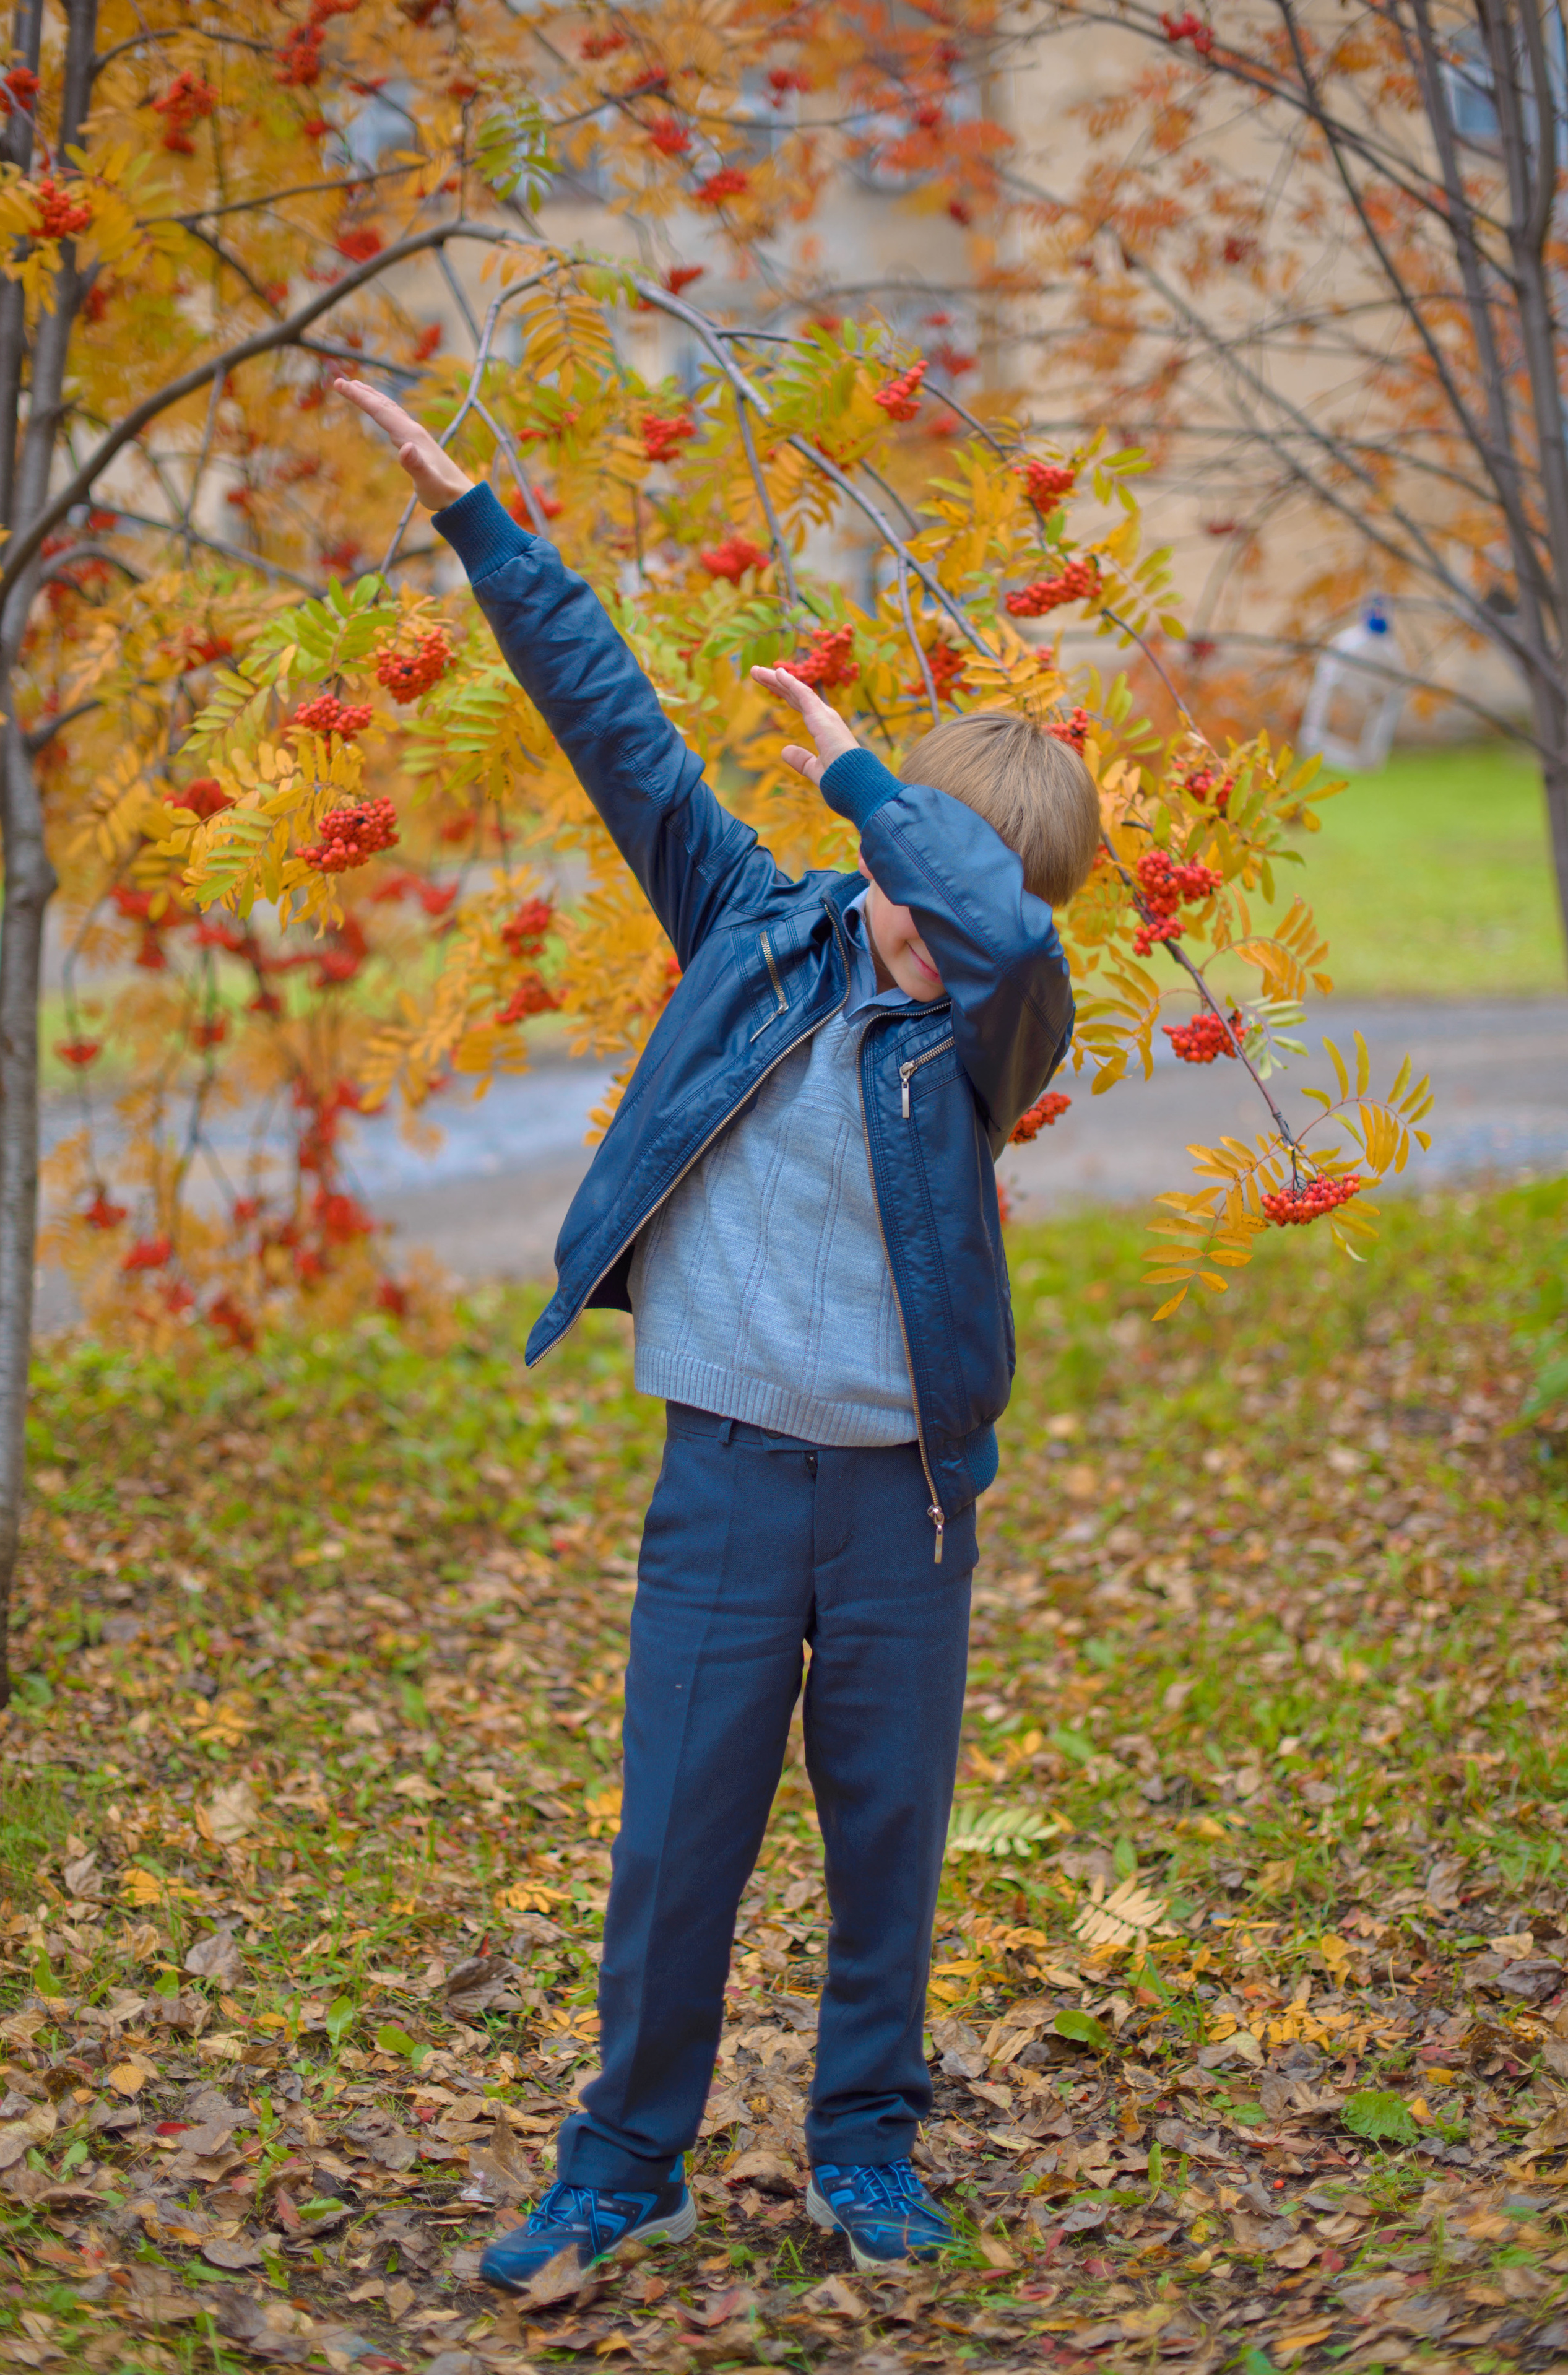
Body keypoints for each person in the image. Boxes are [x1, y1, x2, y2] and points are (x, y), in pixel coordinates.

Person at [334, 377, 1100, 2278]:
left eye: (953, 910)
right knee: (677, 1836)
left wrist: (874, 788)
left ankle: (868, 2143)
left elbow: (1011, 940)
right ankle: (624, 2155)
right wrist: (480, 524)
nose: (920, 946)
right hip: (729, 1475)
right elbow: (616, 727)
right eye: (906, 901)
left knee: (885, 1836)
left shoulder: (991, 1030)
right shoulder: (753, 926)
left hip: (904, 1505)